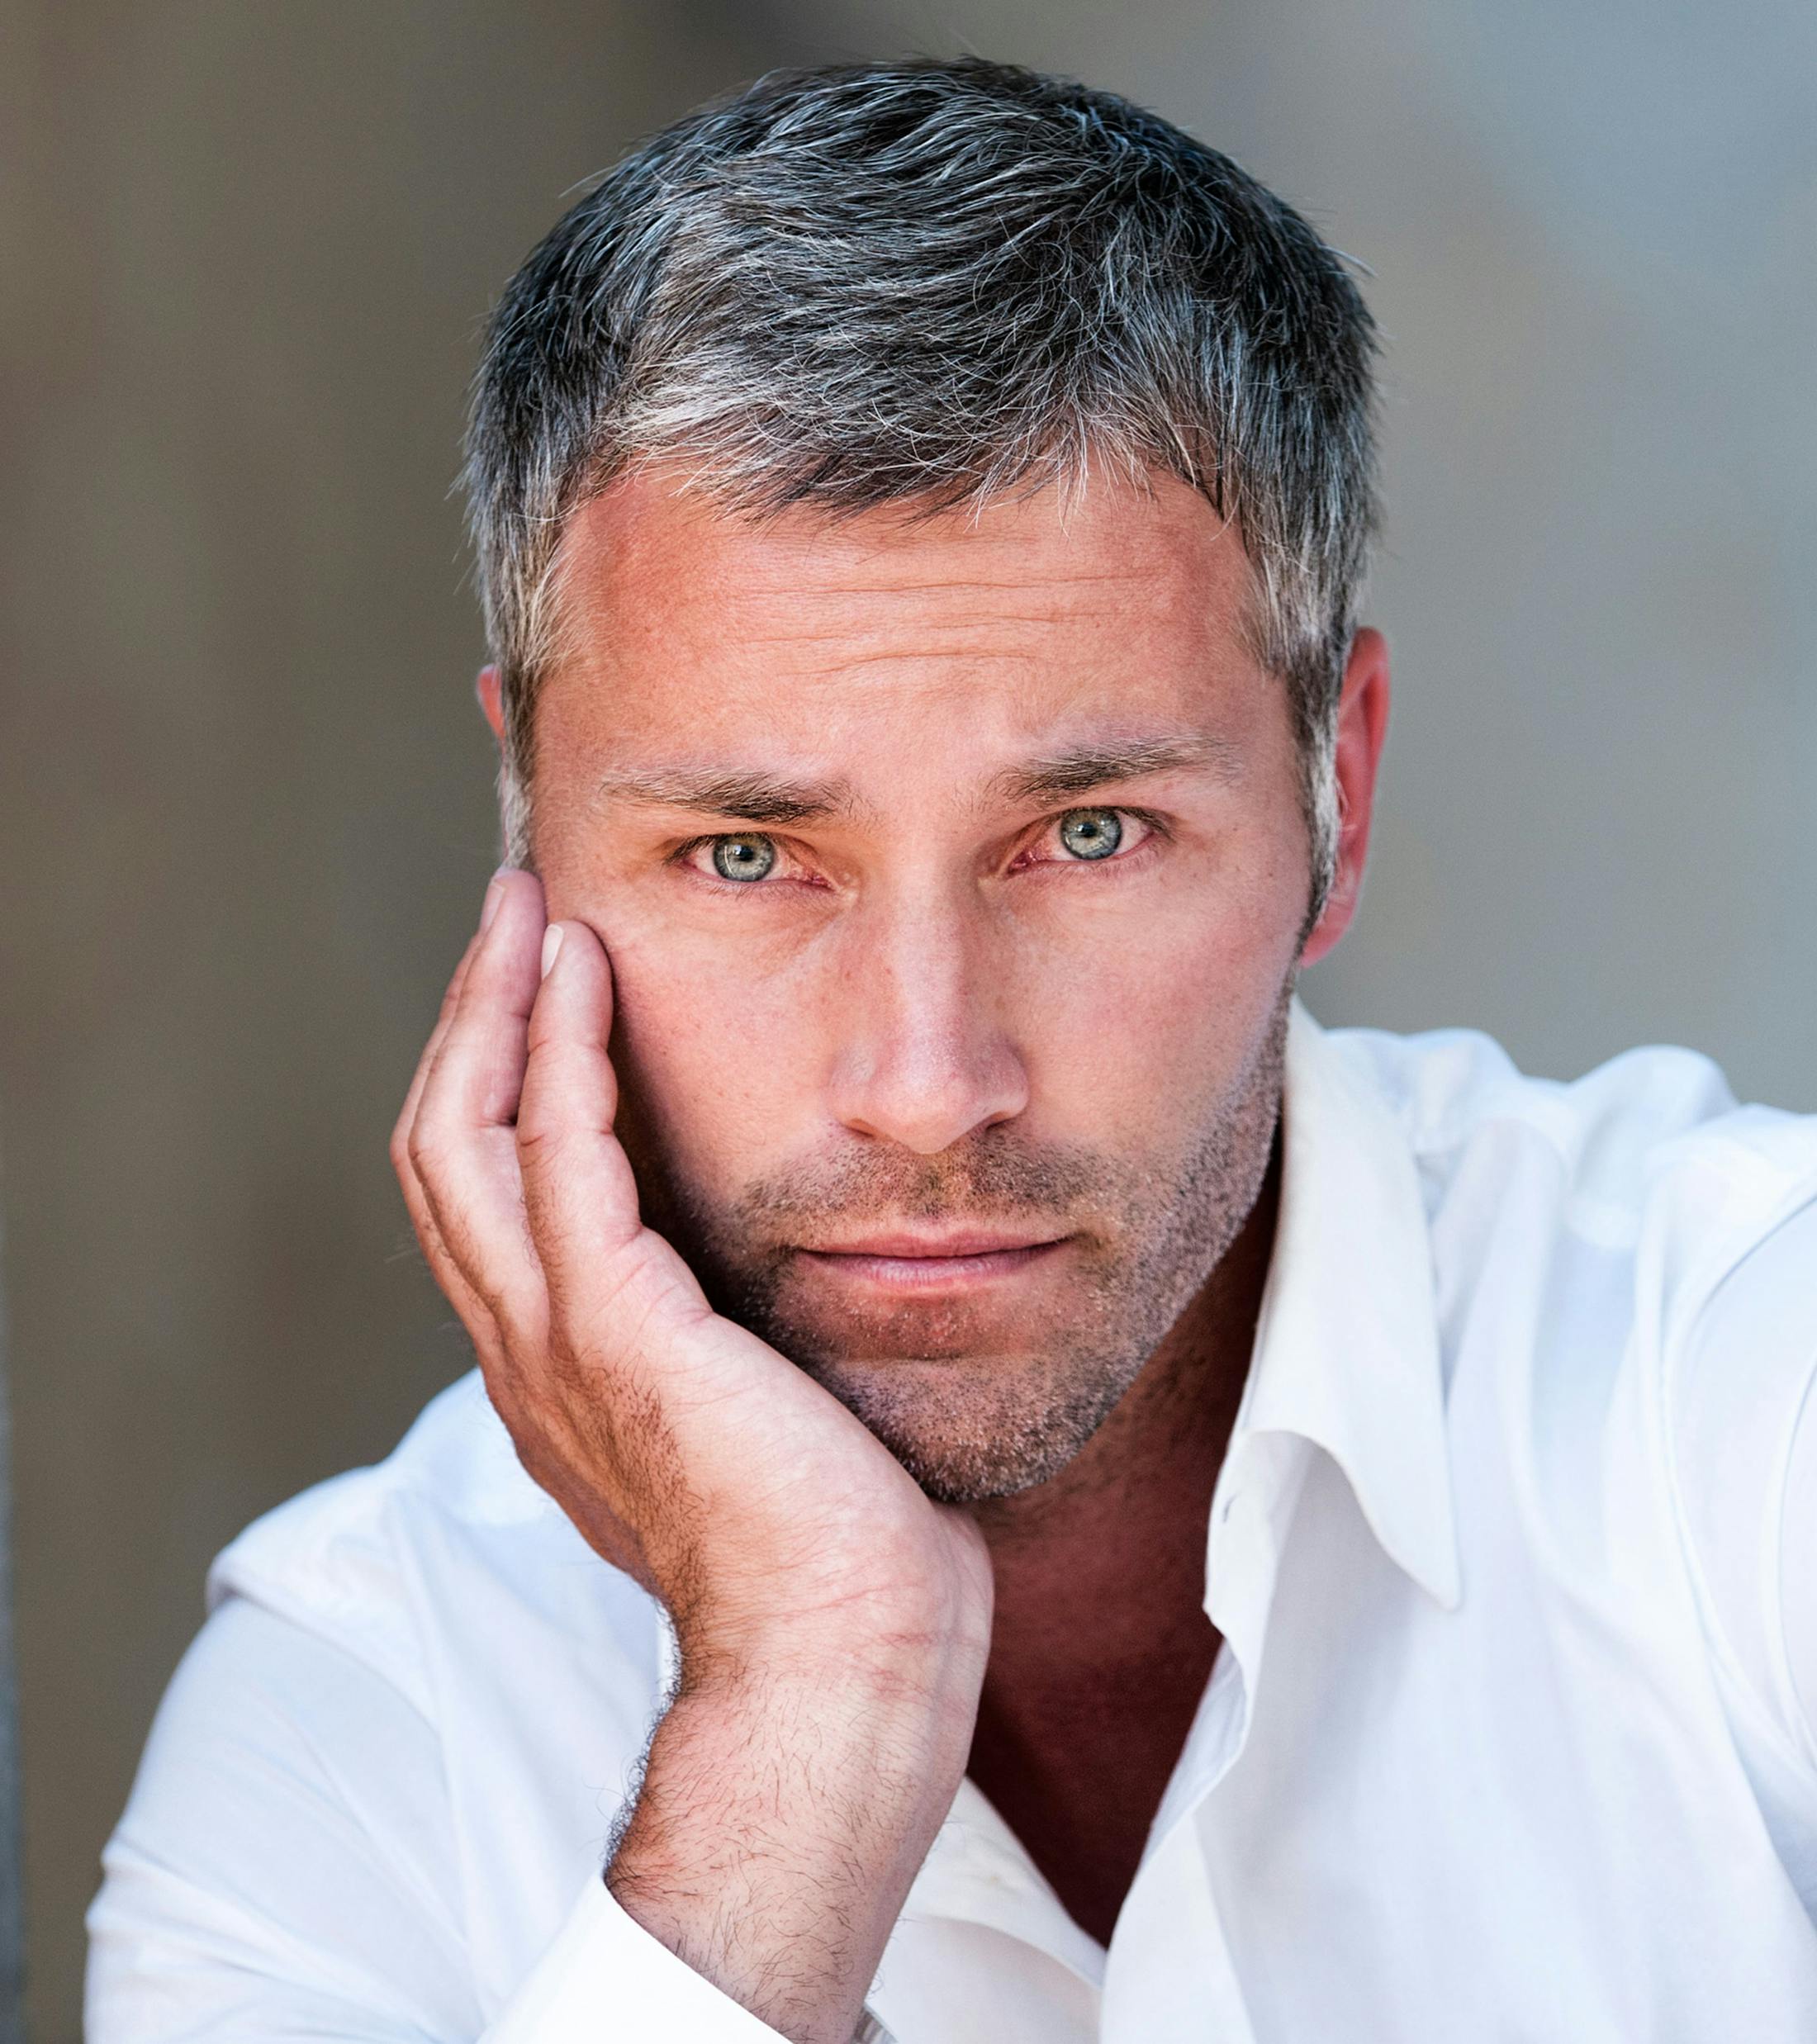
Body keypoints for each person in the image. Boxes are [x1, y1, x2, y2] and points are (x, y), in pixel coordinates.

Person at [86, 55, 1817, 2044]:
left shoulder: (1736, 1397)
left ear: (1333, 790)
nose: (924, 1081)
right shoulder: (361, 1721)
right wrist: (809, 1697)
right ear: (527, 842)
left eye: (1086, 835)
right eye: (745, 853)